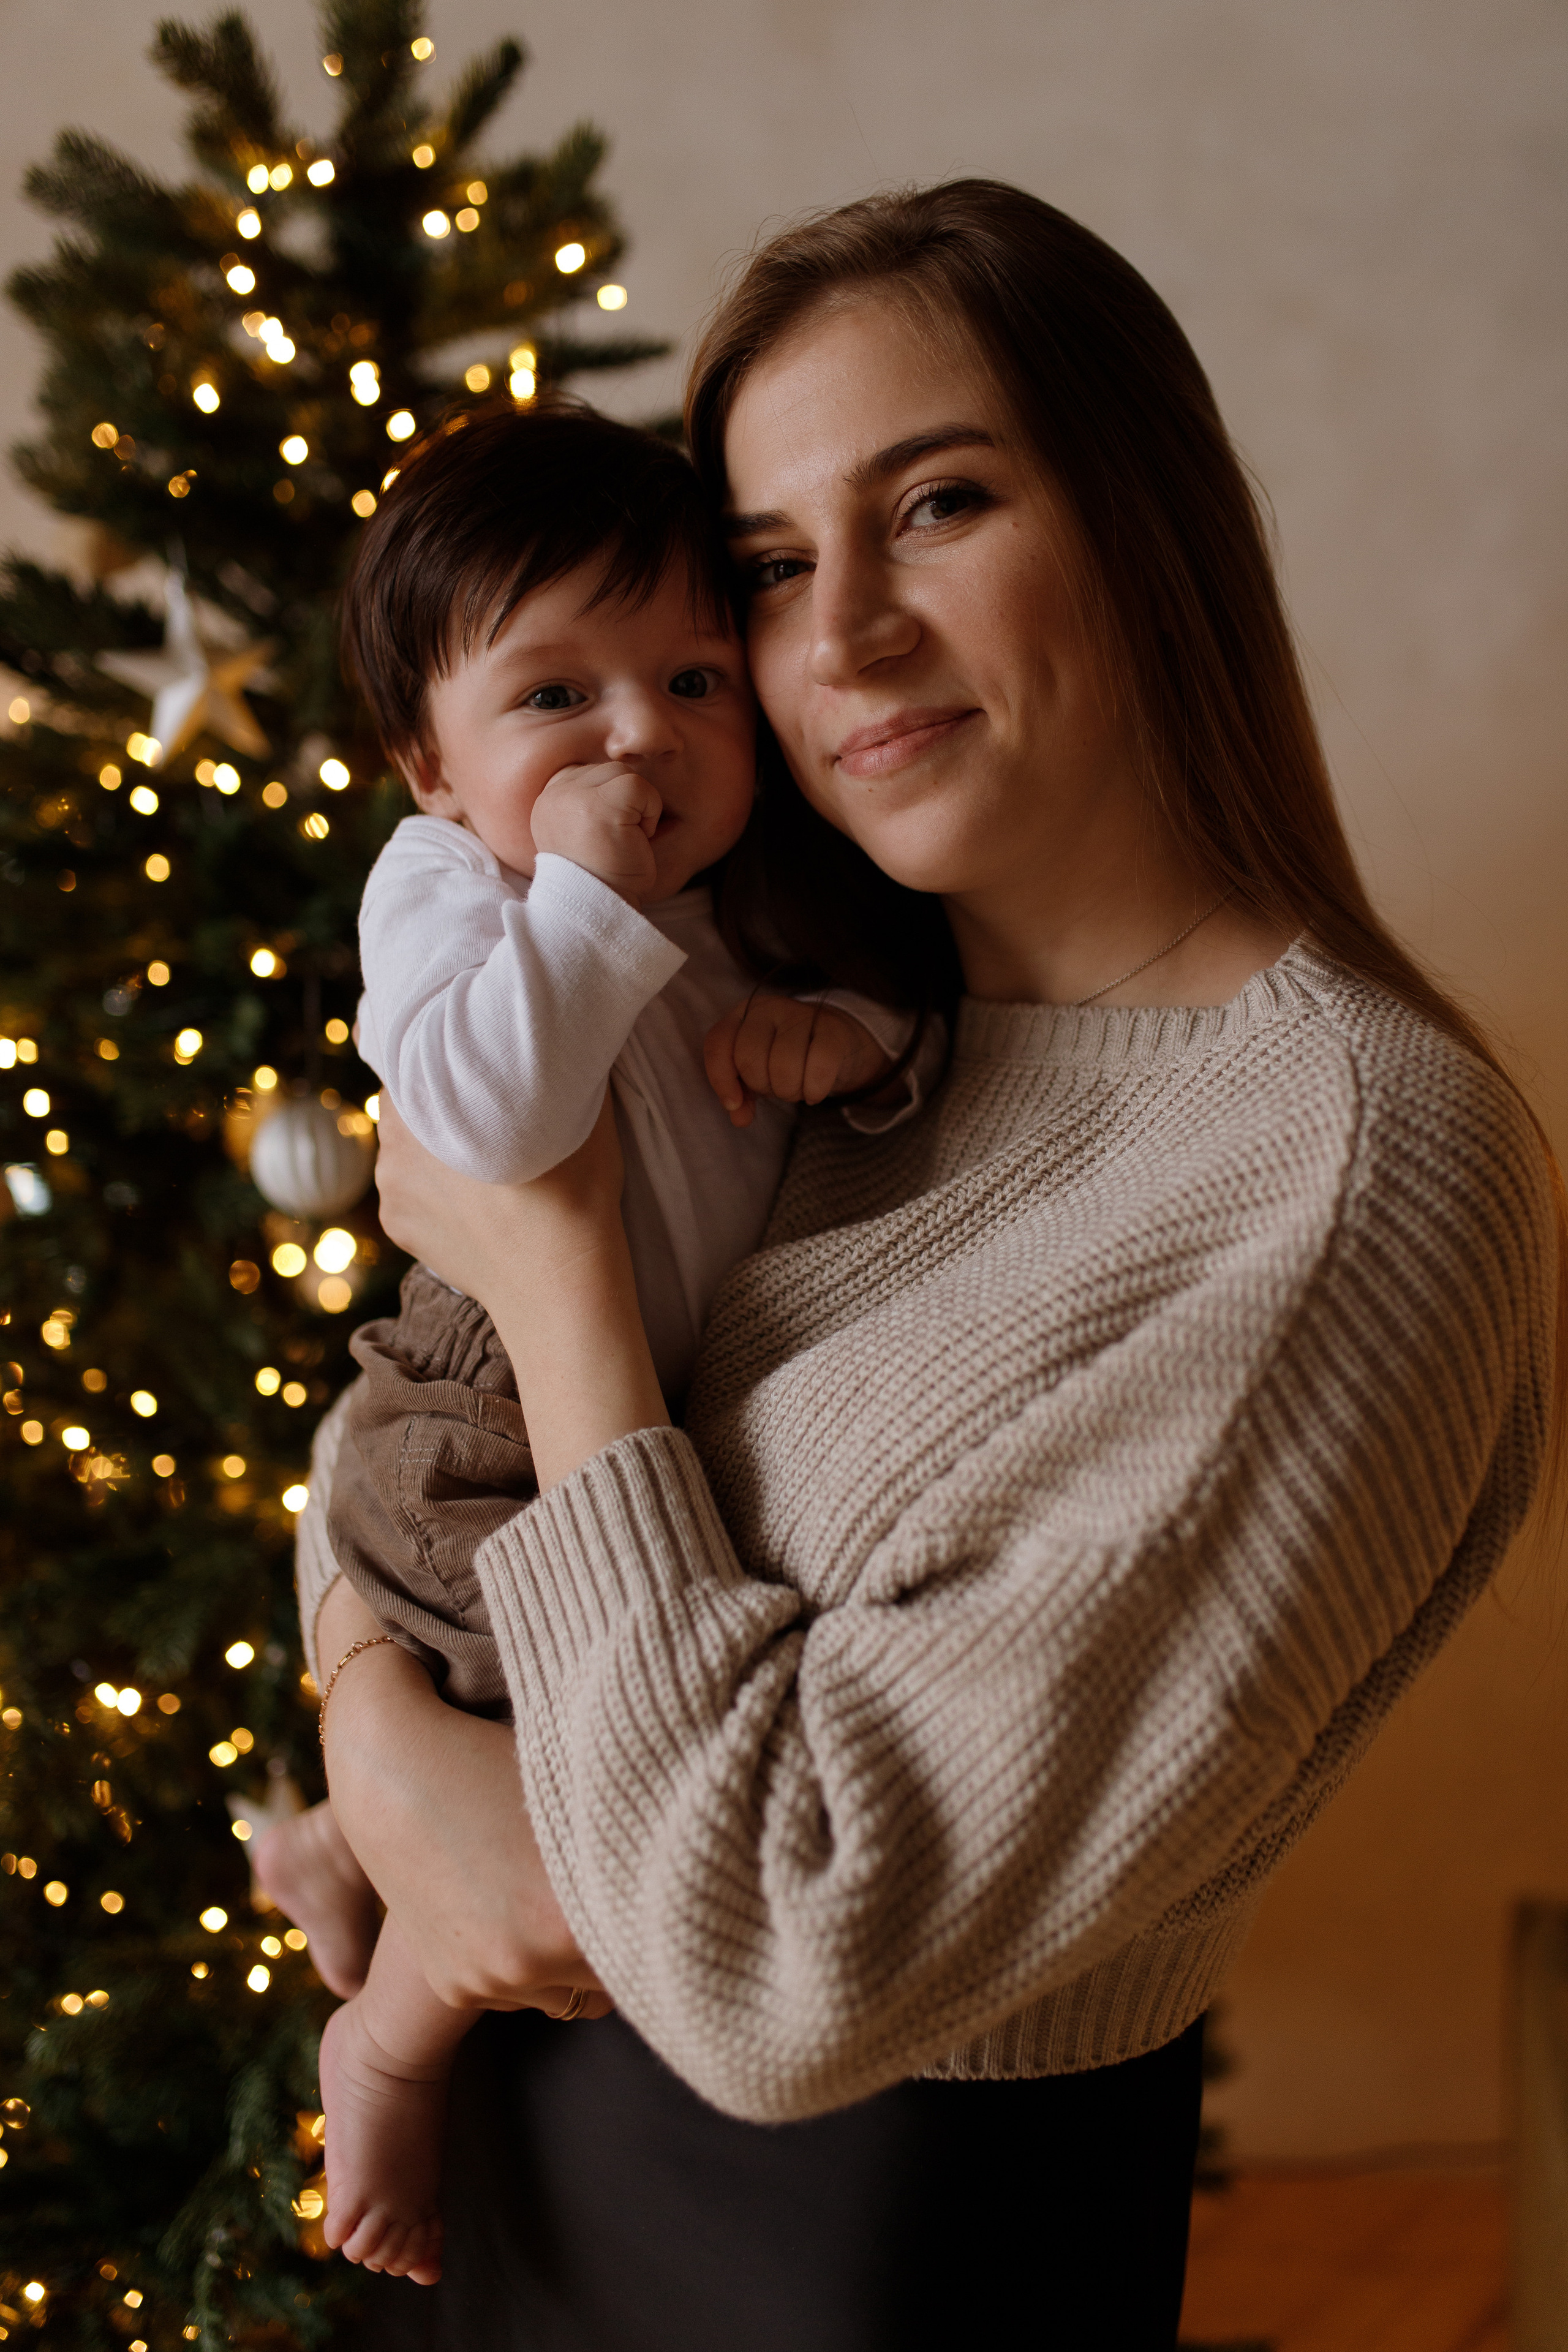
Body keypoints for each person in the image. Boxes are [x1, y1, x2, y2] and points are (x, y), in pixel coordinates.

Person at [296, 181, 1562, 2350]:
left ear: (1150, 529)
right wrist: (377, 1721)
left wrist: (565, 1280)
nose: (847, 633)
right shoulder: (825, 1025)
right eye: (775, 570)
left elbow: (786, 1970)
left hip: (834, 2267)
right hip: (540, 2209)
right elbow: (404, 1425)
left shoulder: (1342, 1174)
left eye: (941, 503)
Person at [257, 405, 925, 2283]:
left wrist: (851, 1040)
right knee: (565, 1766)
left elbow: (878, 1025)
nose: (638, 737)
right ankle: (388, 2029)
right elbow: (484, 1118)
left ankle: (333, 1844)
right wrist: (581, 898)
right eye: (555, 697)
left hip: (638, 1423)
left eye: (691, 678)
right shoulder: (453, 893)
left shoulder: (746, 901)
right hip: (472, 1417)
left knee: (599, 1719)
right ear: (426, 758)